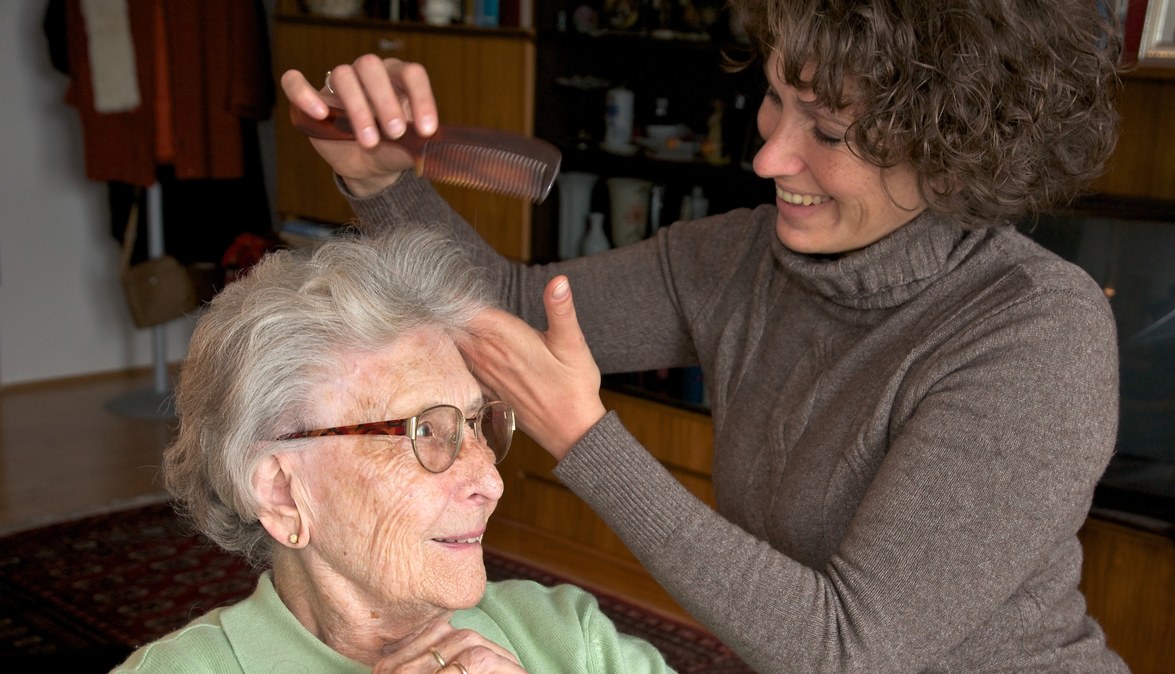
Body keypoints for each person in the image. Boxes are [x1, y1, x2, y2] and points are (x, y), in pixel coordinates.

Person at [281, 1, 1131, 671]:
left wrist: (585, 438)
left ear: (952, 153)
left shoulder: (1034, 334)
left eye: (828, 133)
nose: (769, 159)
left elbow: (843, 650)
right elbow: (506, 307)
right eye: (776, 100)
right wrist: (381, 182)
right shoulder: (739, 260)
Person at [110, 226, 676, 673]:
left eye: (477, 424)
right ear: (282, 492)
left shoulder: (566, 639)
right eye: (425, 432)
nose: (491, 481)